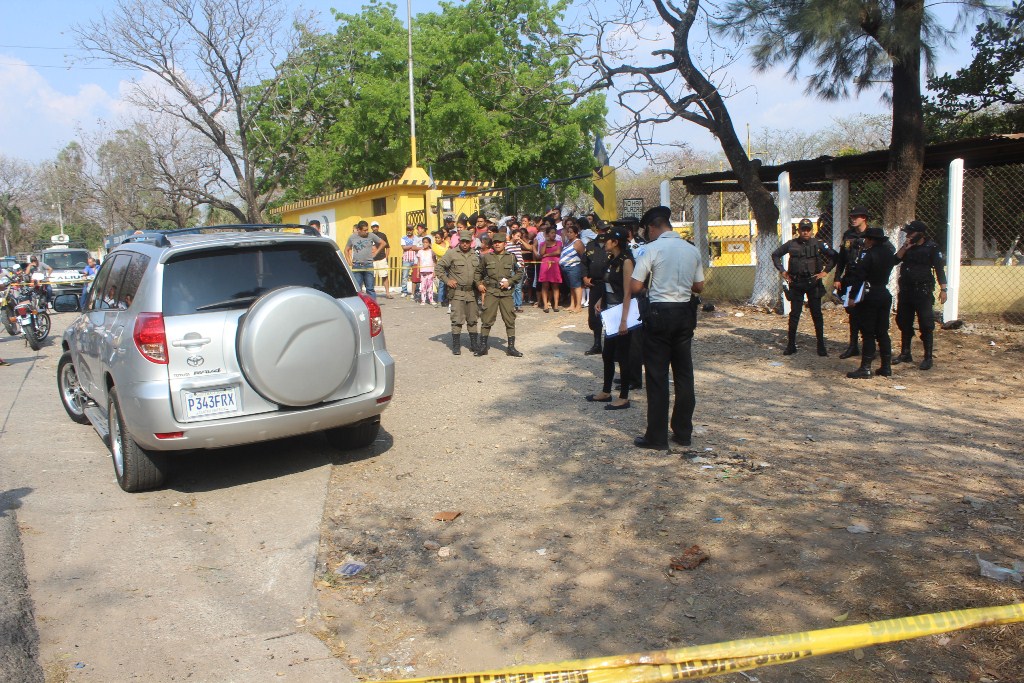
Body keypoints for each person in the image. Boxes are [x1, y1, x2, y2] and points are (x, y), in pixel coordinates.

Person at [630, 206, 704, 451]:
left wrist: (651, 290)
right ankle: (683, 432)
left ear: (653, 228)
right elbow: (699, 286)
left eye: (647, 231)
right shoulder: (691, 249)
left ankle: (657, 437)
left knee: (657, 376)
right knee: (684, 374)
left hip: (660, 315)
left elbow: (635, 286)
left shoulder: (652, 249)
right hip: (684, 314)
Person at [771, 218, 837, 356]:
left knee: (816, 314)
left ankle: (821, 346)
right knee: (794, 315)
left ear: (812, 231)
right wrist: (783, 271)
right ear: (799, 230)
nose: (805, 232)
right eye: (803, 229)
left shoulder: (818, 244)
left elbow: (835, 256)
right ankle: (791, 345)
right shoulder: (791, 244)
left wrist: (825, 271)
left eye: (808, 229)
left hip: (813, 283)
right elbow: (775, 254)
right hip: (797, 283)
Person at [586, 227, 635, 410]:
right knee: (607, 354)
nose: (604, 242)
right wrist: (600, 299)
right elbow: (608, 285)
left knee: (622, 355)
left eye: (607, 240)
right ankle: (606, 391)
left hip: (621, 313)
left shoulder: (626, 262)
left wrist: (624, 320)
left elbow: (628, 292)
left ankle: (624, 397)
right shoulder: (611, 260)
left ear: (615, 242)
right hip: (610, 312)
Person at [893, 220, 947, 370]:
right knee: (903, 320)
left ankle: (927, 357)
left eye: (911, 233)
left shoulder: (932, 247)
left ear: (921, 234)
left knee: (926, 323)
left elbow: (939, 269)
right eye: (907, 233)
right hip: (906, 290)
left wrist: (944, 289)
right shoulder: (907, 247)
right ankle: (905, 353)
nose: (908, 235)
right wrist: (905, 247)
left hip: (922, 291)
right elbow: (894, 260)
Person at [844, 226, 897, 379]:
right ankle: (886, 367)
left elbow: (859, 276)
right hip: (884, 293)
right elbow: (896, 260)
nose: (865, 241)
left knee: (868, 332)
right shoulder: (888, 253)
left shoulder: (867, 255)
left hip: (869, 294)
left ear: (871, 240)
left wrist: (852, 297)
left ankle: (865, 368)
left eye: (867, 238)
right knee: (882, 331)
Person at [475, 232, 524, 357]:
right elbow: (478, 272)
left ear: (504, 244)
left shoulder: (512, 257)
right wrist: (479, 284)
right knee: (486, 319)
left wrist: (510, 281)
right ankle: (483, 346)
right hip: (491, 292)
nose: (497, 244)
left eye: (500, 242)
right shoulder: (486, 257)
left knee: (510, 319)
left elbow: (520, 271)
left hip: (506, 293)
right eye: (495, 242)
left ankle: (511, 347)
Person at [834, 207, 871, 358]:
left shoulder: (872, 234)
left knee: (867, 314)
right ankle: (853, 345)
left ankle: (869, 346)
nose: (853, 219)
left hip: (866, 279)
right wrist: (837, 277)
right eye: (852, 216)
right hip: (851, 276)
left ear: (864, 218)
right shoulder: (848, 235)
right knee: (852, 312)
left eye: (857, 217)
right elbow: (842, 257)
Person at [437, 230, 481, 355]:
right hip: (457, 292)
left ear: (471, 242)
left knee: (473, 319)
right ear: (459, 241)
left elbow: (480, 272)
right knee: (457, 319)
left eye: (467, 241)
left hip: (472, 292)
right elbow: (438, 268)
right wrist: (447, 280)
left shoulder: (475, 255)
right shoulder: (451, 254)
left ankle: (474, 344)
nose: (465, 244)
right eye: (463, 241)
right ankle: (456, 346)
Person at [581, 221, 609, 355]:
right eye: (602, 230)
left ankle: (612, 347)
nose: (604, 233)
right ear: (597, 230)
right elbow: (584, 263)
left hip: (610, 285)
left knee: (610, 314)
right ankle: (597, 343)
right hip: (595, 284)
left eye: (607, 230)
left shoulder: (614, 244)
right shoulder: (591, 245)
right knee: (594, 316)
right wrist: (585, 277)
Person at [344, 221, 384, 299]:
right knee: (358, 289)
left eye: (367, 230)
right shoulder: (352, 237)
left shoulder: (371, 235)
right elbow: (346, 250)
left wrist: (375, 253)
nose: (366, 232)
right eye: (364, 230)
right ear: (359, 229)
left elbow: (383, 243)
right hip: (357, 265)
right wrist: (349, 261)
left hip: (368, 265)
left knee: (370, 288)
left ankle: (373, 306)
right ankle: (360, 306)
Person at [559, 223, 585, 313]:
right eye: (568, 232)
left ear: (576, 233)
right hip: (566, 267)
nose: (569, 234)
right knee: (571, 287)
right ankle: (572, 304)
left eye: (571, 232)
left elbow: (583, 255)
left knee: (577, 286)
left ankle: (578, 306)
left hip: (574, 267)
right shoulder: (567, 242)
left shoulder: (578, 242)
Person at [537, 223, 562, 312]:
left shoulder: (558, 242)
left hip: (555, 265)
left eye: (554, 233)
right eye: (551, 233)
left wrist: (548, 254)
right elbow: (541, 253)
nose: (553, 234)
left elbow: (558, 252)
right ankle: (545, 305)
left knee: (555, 285)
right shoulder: (543, 243)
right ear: (547, 234)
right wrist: (546, 243)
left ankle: (556, 305)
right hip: (545, 265)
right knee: (545, 285)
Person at [370, 221, 394, 299]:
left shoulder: (382, 235)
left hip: (381, 259)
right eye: (373, 227)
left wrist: (386, 257)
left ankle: (387, 293)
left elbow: (388, 247)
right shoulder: (369, 236)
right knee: (371, 277)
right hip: (372, 260)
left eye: (376, 226)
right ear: (371, 228)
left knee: (385, 276)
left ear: (378, 227)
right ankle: (371, 294)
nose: (375, 228)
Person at [400, 224, 419, 297]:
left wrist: (411, 247)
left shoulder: (416, 238)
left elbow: (417, 247)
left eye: (410, 229)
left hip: (415, 259)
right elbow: (404, 248)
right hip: (406, 259)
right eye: (408, 229)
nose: (409, 231)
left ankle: (416, 290)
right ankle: (404, 291)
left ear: (413, 230)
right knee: (405, 276)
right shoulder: (403, 238)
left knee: (416, 275)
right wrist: (413, 247)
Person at [416, 236, 436, 305]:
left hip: (430, 271)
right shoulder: (420, 252)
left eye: (426, 242)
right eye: (423, 242)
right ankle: (423, 300)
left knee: (430, 286)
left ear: (429, 244)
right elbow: (418, 262)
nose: (425, 244)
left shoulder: (431, 252)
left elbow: (434, 262)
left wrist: (434, 271)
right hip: (423, 271)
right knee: (423, 286)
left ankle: (431, 299)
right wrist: (418, 271)